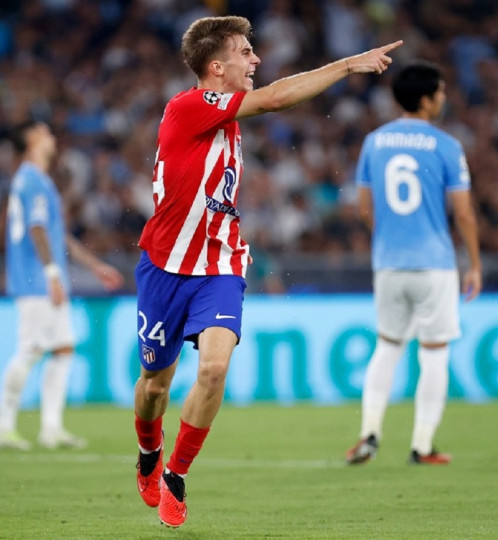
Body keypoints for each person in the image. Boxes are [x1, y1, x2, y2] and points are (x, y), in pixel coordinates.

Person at [133, 15, 402, 528]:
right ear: (217, 68)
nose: (255, 59)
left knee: (213, 369)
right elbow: (277, 97)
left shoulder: (226, 119)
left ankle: (176, 475)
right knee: (153, 385)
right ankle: (148, 454)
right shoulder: (189, 107)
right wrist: (347, 65)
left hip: (221, 264)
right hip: (164, 267)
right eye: (245, 52)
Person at [345, 61, 482, 466]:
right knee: (434, 352)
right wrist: (473, 262)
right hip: (434, 264)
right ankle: (422, 446)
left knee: (387, 347)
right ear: (425, 99)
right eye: (439, 91)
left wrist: (389, 238)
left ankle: (369, 434)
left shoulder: (374, 142)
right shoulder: (446, 145)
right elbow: (465, 214)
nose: (443, 97)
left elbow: (365, 207)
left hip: (388, 263)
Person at [0, 120, 124, 451]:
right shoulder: (32, 180)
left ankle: (51, 428)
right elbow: (37, 231)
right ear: (32, 138)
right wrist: (53, 275)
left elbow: (57, 234)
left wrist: (95, 266)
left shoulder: (36, 181)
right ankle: (4, 425)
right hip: (37, 280)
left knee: (63, 349)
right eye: (46, 132)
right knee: (31, 349)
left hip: (45, 278)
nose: (52, 137)